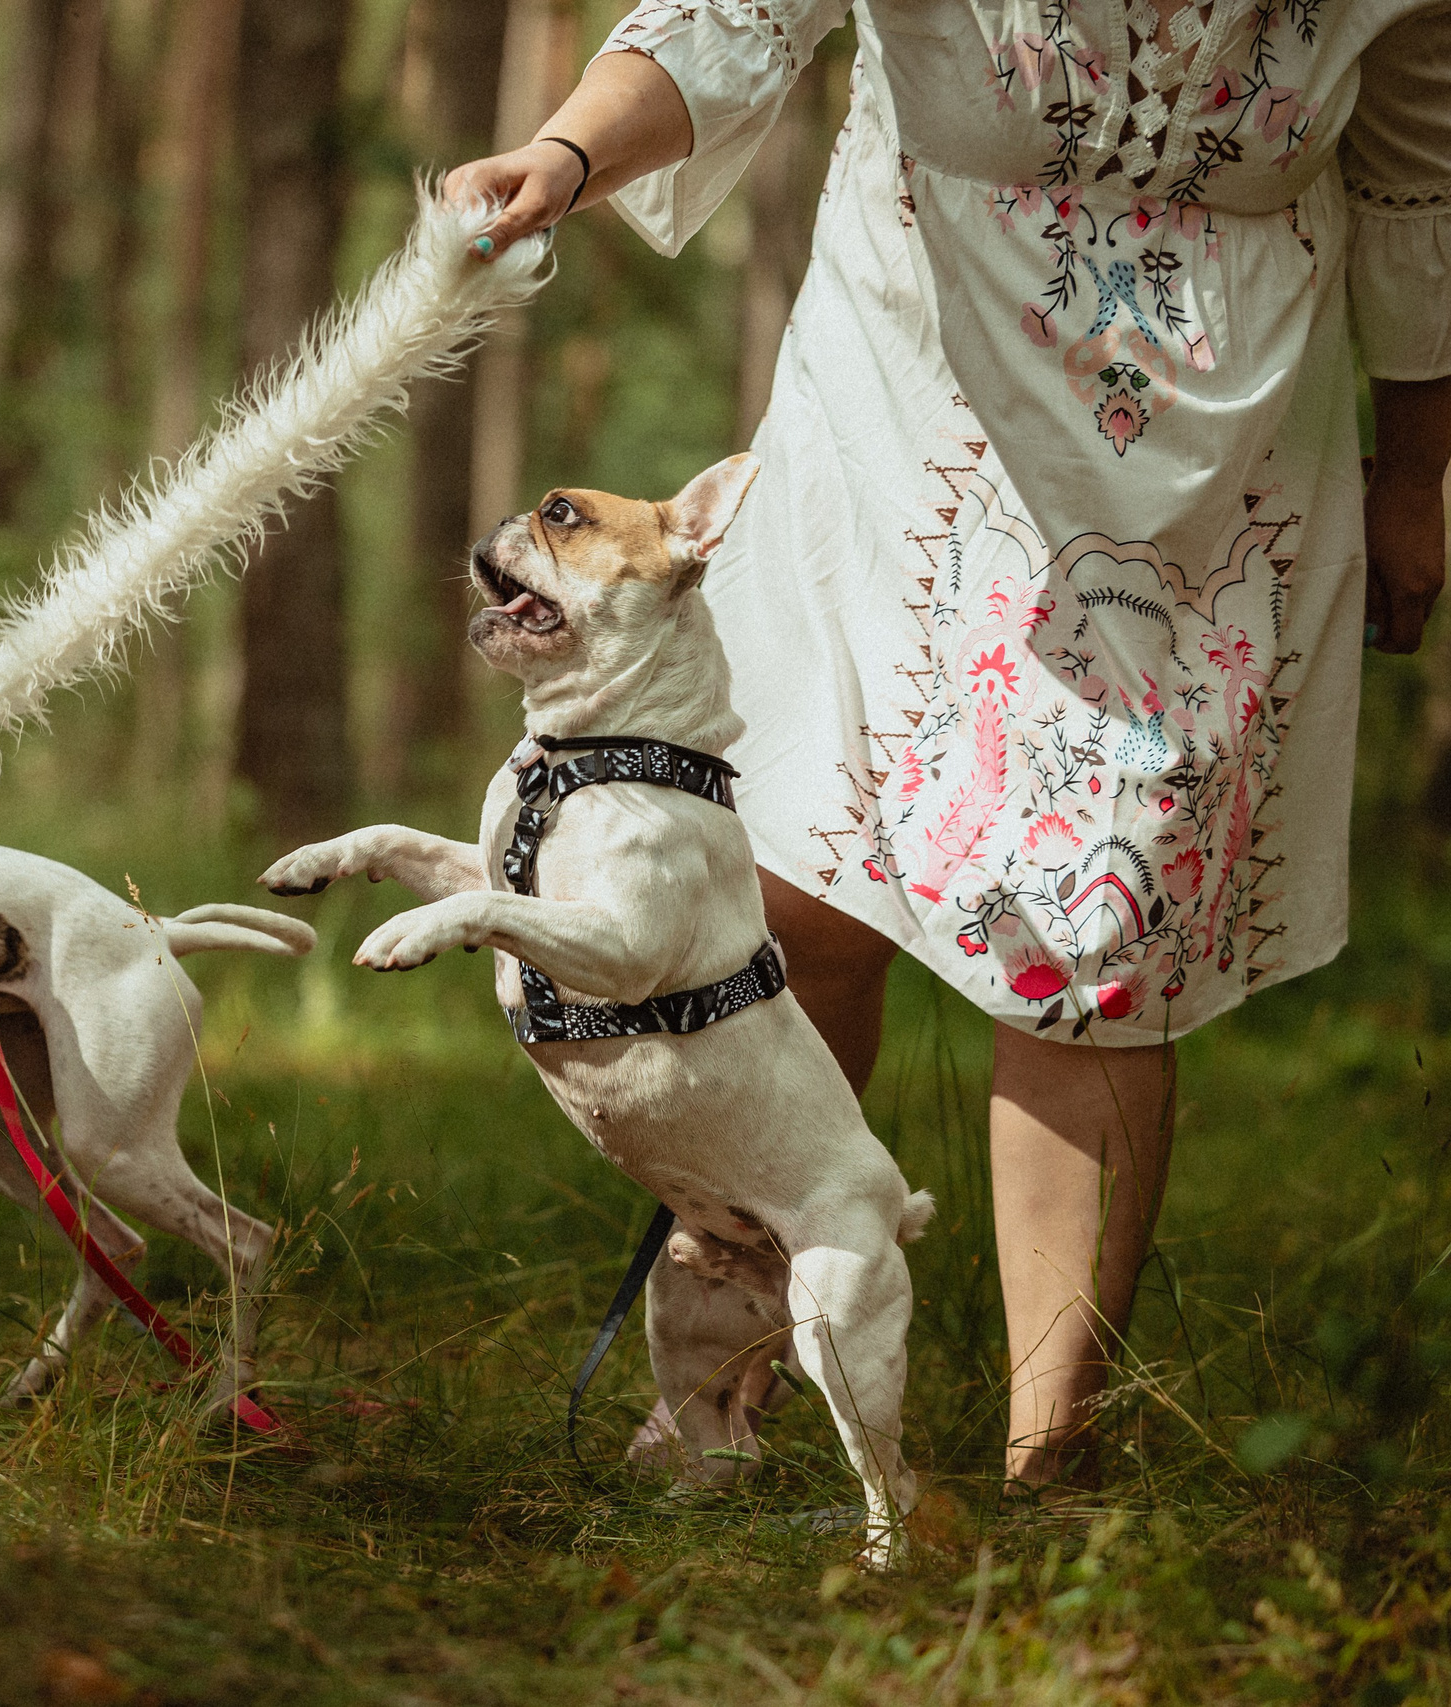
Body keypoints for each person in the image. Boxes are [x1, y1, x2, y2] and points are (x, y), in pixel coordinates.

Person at [446, 1, 1451, 1488]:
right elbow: (731, 19)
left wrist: (1424, 467)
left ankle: (1053, 1460)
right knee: (794, 883)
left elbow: (1420, 161)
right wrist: (569, 147)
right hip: (906, 405)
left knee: (1098, 939)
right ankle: (723, 1394)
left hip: (1210, 456)